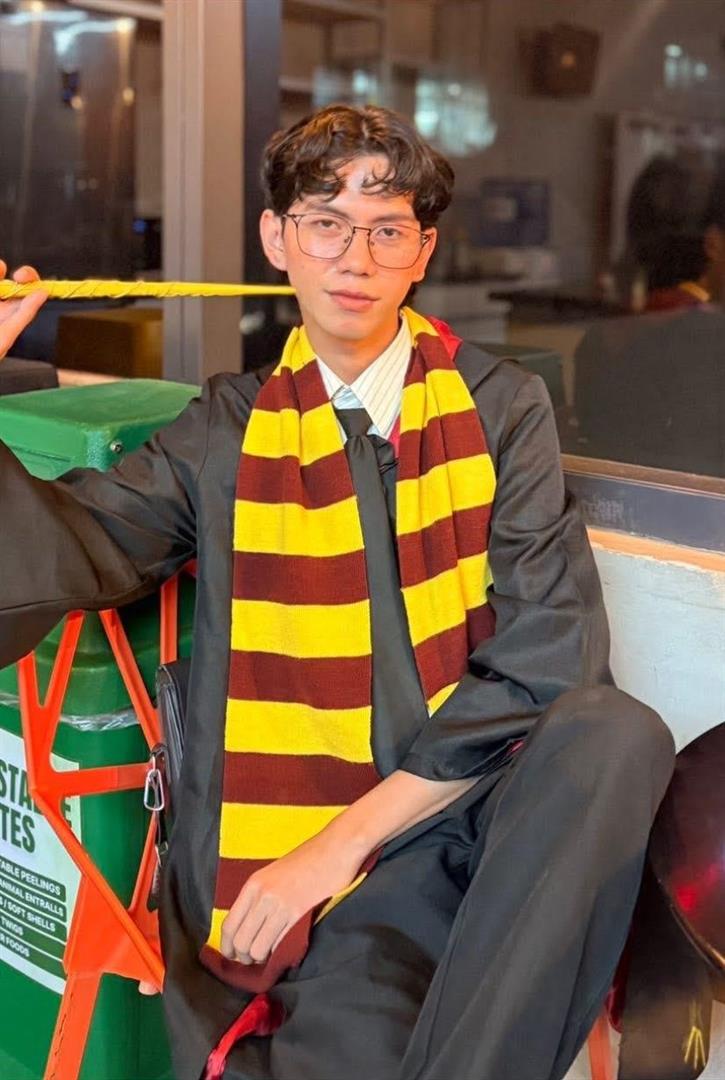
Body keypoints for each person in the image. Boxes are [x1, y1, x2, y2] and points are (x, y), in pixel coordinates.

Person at [0, 105, 674, 1080]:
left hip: (471, 807)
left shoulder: (497, 408)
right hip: (291, 845)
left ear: (422, 250)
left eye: (386, 228)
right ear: (277, 240)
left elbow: (551, 654)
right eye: (325, 222)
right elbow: (65, 543)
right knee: (353, 1038)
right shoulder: (226, 433)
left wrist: (342, 844)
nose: (355, 258)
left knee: (614, 734)